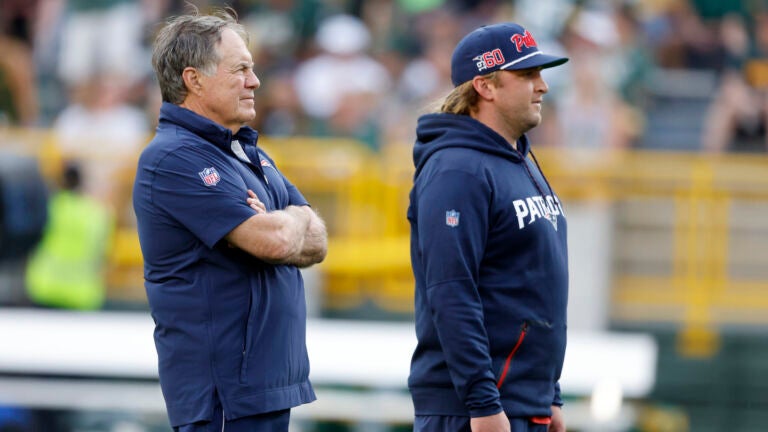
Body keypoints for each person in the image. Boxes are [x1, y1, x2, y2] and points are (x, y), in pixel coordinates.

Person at [132, 8, 327, 432]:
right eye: (239, 69)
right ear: (194, 79)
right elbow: (275, 242)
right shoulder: (173, 158)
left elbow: (317, 241)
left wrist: (285, 219)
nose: (254, 81)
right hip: (223, 398)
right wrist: (292, 219)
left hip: (259, 390)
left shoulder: (245, 151)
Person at [407, 23, 570, 432]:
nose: (542, 86)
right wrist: (482, 404)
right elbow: (451, 290)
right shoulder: (457, 168)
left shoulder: (518, 160)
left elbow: (534, 286)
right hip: (474, 408)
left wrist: (548, 395)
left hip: (518, 400)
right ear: (486, 86)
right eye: (528, 75)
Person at [25, 161, 113, 310]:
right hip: (82, 293)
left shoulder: (49, 206)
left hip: (45, 286)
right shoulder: (99, 213)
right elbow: (104, 256)